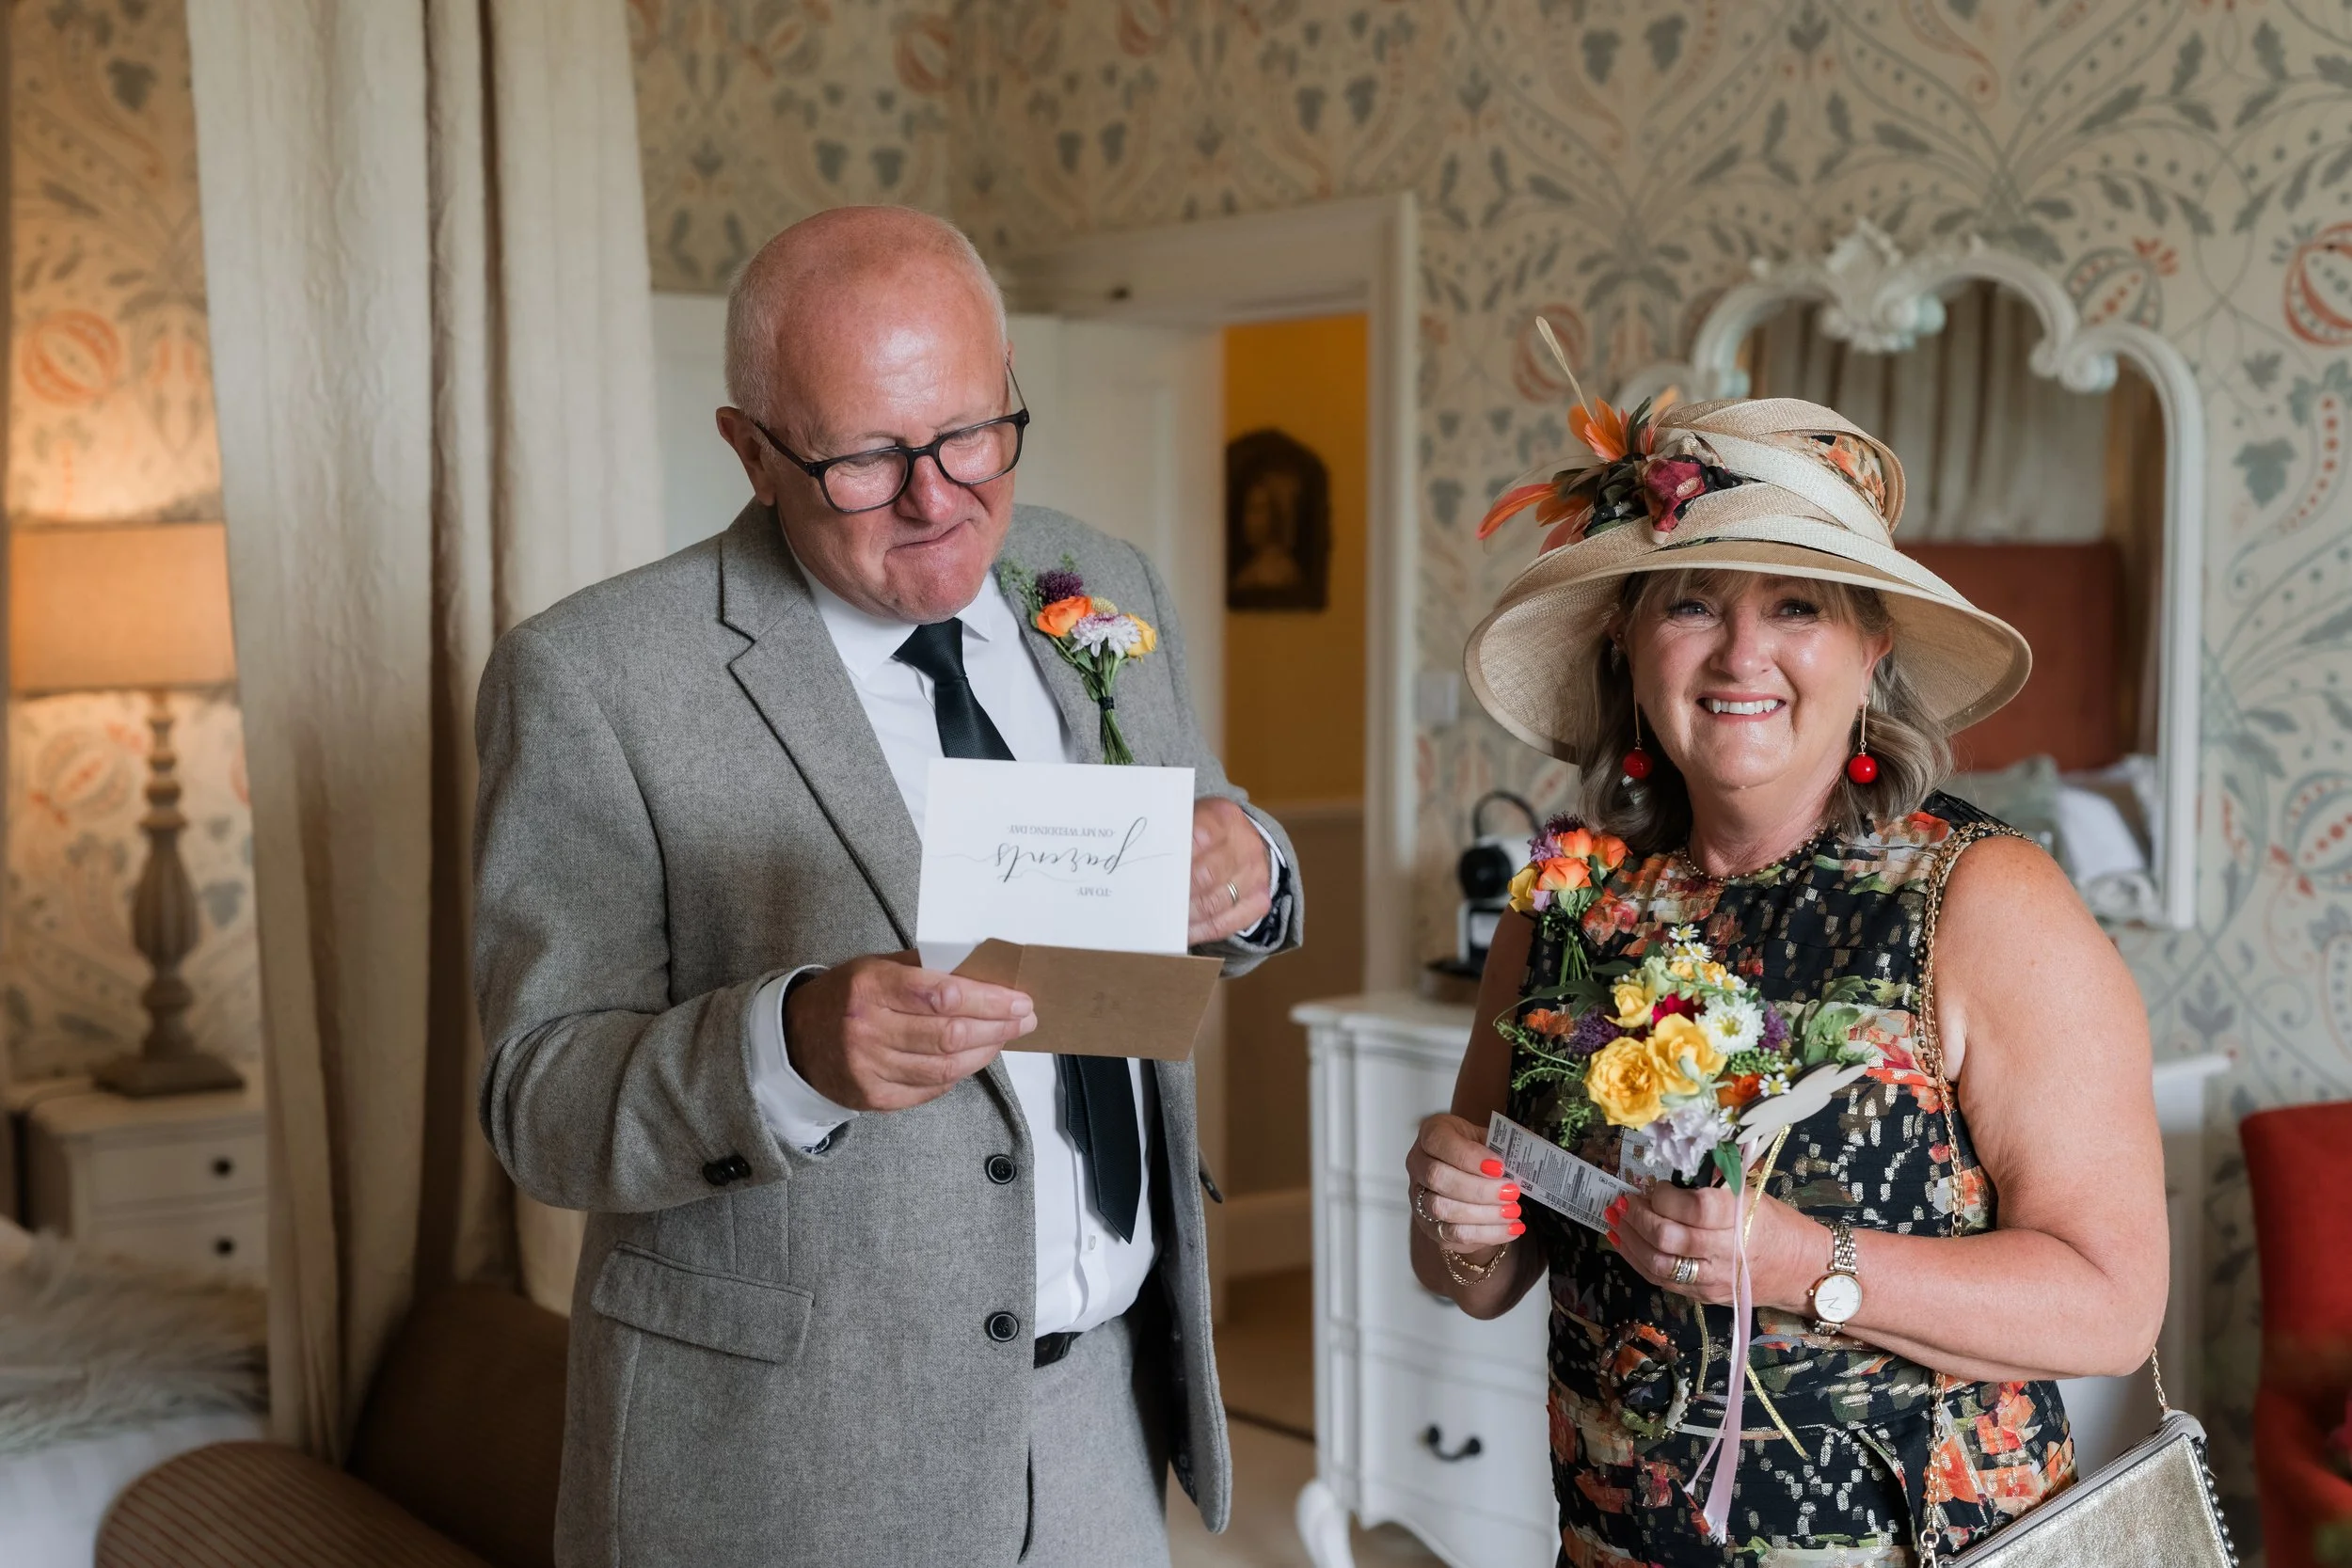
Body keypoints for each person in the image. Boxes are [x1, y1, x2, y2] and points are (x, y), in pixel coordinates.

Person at [471, 205, 1301, 1568]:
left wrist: (1250, 865)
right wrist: (784, 1044)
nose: (938, 496)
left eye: (973, 433)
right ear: (750, 448)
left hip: (1105, 1411)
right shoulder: (593, 677)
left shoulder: (1101, 585)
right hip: (788, 1458)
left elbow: (1207, 842)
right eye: (865, 457)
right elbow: (539, 1104)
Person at [1405, 396, 2167, 1564]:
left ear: (1873, 647)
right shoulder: (1566, 900)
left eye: (1796, 606)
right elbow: (1487, 1272)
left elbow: (2110, 1304)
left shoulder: (1982, 900)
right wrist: (1454, 1217)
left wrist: (1813, 1266)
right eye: (1693, 602)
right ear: (1627, 633)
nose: (1739, 654)